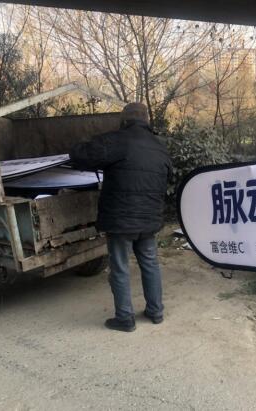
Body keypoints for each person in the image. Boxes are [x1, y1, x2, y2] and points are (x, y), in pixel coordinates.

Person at [70, 103, 171, 333]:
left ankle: (125, 318)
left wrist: (79, 143)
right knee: (151, 264)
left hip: (121, 220)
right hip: (149, 219)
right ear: (147, 120)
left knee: (120, 267)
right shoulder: (160, 146)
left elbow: (83, 155)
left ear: (124, 120)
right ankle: (155, 311)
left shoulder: (116, 140)